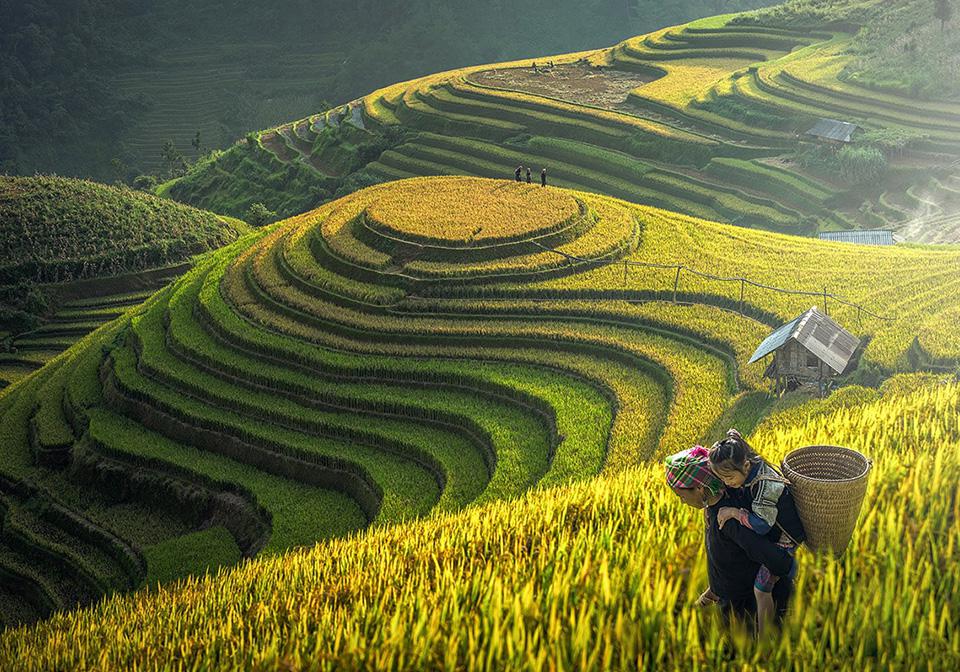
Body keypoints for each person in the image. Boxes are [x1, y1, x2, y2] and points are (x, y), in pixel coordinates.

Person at [665, 446, 795, 628]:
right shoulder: (713, 510)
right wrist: (713, 591)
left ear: (700, 488)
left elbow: (776, 560)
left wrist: (786, 568)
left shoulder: (728, 521)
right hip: (728, 601)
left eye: (681, 495)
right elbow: (729, 560)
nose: (681, 501)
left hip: (745, 614)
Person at [708, 429, 806, 636]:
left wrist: (734, 512)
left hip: (785, 538)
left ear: (745, 466)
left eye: (729, 477)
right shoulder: (748, 465)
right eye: (722, 478)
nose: (727, 483)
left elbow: (762, 525)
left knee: (761, 590)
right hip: (772, 527)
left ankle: (764, 639)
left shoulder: (765, 485)